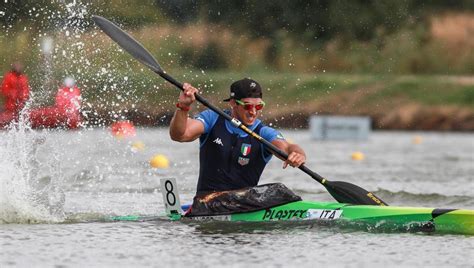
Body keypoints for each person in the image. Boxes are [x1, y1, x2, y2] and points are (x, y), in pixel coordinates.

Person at [169, 78, 306, 196]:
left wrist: (297, 154)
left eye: (258, 106)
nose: (253, 112)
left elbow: (287, 147)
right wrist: (183, 107)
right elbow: (180, 135)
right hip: (208, 202)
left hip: (245, 204)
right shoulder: (212, 119)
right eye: (248, 106)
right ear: (233, 103)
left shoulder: (263, 132)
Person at [0, 62, 30, 128]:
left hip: (21, 106)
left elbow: (26, 90)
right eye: (17, 66)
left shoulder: (23, 78)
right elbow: (4, 89)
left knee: (21, 118)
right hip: (10, 106)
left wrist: (23, 95)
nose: (18, 68)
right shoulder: (9, 77)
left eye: (19, 66)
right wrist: (12, 93)